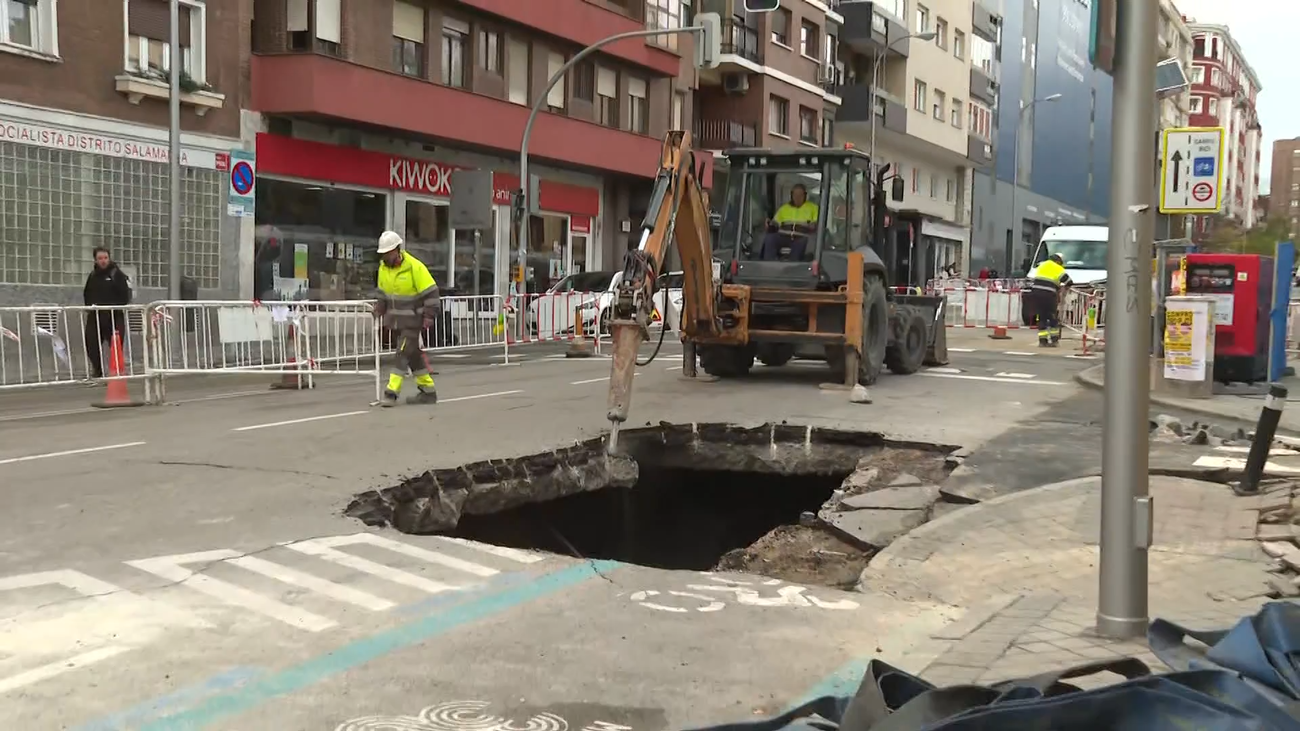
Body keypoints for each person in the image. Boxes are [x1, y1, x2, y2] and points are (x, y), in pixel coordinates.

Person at [373, 230, 441, 407]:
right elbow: (382, 292)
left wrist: (429, 316)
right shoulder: (383, 268)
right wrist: (380, 308)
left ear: (397, 249)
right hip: (396, 321)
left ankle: (391, 393)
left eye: (388, 253)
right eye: (383, 254)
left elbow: (431, 292)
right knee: (413, 357)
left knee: (401, 354)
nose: (385, 257)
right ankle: (428, 391)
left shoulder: (414, 267)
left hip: (413, 320)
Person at [82, 247, 132, 379]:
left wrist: (115, 306)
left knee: (116, 346)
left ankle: (115, 373)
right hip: (95, 316)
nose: (103, 261)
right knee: (91, 344)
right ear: (95, 260)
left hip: (114, 316)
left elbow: (125, 296)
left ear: (109, 258)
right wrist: (90, 307)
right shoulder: (93, 276)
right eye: (100, 258)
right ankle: (97, 372)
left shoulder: (117, 274)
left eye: (105, 258)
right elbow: (87, 294)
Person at [760, 183, 819, 261]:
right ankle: (768, 265)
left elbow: (816, 223)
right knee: (770, 238)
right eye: (795, 195)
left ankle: (793, 267)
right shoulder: (784, 208)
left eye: (800, 195)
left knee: (802, 243)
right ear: (791, 195)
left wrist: (813, 225)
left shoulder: (813, 208)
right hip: (784, 236)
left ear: (805, 196)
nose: (797, 198)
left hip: (801, 237)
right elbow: (775, 223)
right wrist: (770, 224)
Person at [1027, 253, 1072, 347]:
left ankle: (1042, 341)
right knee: (1052, 317)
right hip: (1049, 295)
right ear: (1058, 261)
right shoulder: (1058, 268)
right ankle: (1054, 340)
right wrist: (1064, 289)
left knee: (1041, 317)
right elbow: (1069, 282)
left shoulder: (1042, 265)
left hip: (1036, 294)